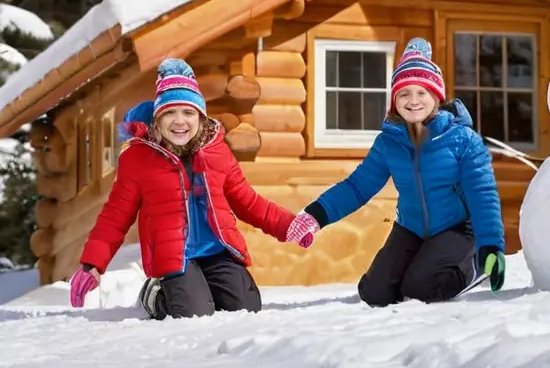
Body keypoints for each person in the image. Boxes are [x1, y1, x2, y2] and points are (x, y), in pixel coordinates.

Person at [68, 58, 312, 319]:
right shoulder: (138, 160)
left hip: (217, 250)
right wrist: (92, 264)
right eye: (170, 113)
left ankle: (203, 289)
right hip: (173, 255)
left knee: (245, 306)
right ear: (157, 118)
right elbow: (115, 216)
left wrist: (288, 226)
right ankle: (155, 295)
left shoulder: (217, 153)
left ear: (200, 117)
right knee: (192, 313)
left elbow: (248, 201)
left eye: (188, 112)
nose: (179, 121)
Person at [284, 38, 506, 306]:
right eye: (404, 93)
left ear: (436, 97)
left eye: (422, 93)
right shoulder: (389, 142)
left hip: (457, 227)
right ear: (394, 100)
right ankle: (421, 264)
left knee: (421, 288)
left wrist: (490, 245)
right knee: (374, 293)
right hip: (410, 227)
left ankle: (470, 267)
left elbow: (482, 195)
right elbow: (358, 186)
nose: (413, 101)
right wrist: (315, 215)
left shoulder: (462, 139)